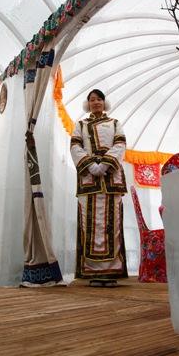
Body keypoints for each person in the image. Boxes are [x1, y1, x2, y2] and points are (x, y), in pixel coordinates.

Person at [70, 89, 128, 287]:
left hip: (111, 178)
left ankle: (111, 272)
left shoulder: (114, 123)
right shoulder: (80, 125)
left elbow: (120, 144)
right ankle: (93, 271)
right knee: (90, 223)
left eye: (99, 99)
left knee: (112, 223)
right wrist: (91, 166)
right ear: (88, 104)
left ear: (104, 102)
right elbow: (75, 147)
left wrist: (105, 164)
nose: (96, 102)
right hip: (88, 179)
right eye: (92, 100)